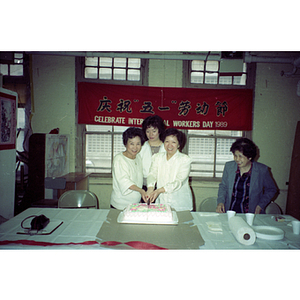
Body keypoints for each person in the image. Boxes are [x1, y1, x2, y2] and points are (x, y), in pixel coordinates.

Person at [216, 138, 278, 214]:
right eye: (235, 155)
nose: (237, 159)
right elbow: (223, 186)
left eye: (240, 156)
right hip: (230, 211)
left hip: (251, 213)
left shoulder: (262, 170)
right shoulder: (229, 167)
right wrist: (220, 202)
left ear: (249, 157)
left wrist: (260, 205)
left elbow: (271, 189)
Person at [146, 128, 193, 211]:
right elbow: (152, 174)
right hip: (162, 201)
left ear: (179, 144)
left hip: (180, 202)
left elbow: (178, 182)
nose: (169, 145)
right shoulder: (157, 157)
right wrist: (150, 188)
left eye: (173, 142)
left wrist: (159, 190)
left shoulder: (185, 160)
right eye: (167, 141)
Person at [110, 127, 147, 209]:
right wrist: (141, 191)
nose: (135, 147)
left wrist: (140, 197)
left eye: (138, 144)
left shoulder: (138, 157)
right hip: (121, 205)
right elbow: (125, 181)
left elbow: (138, 180)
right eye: (132, 143)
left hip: (135, 203)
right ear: (125, 143)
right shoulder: (119, 159)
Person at [139, 115, 166, 191]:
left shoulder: (167, 148)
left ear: (159, 131)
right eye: (148, 131)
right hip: (143, 185)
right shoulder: (141, 147)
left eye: (154, 131)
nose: (151, 134)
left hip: (162, 186)